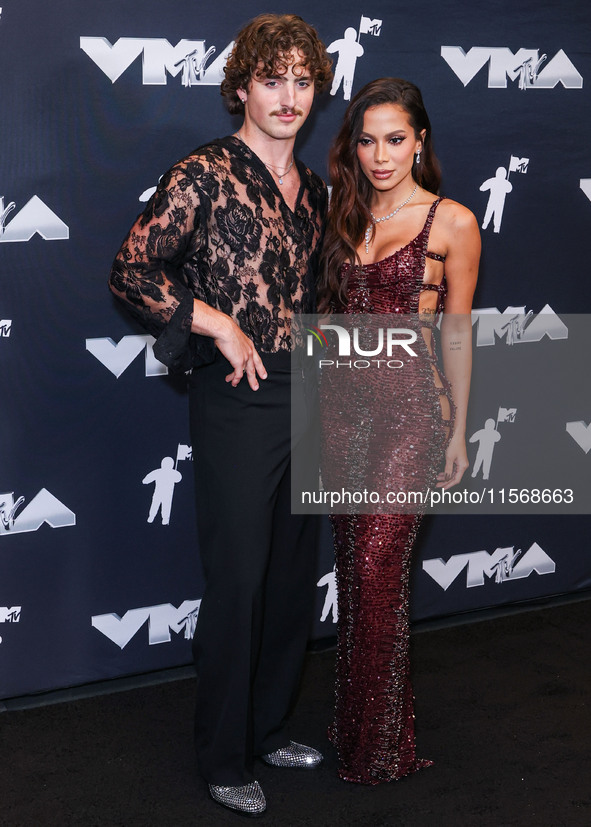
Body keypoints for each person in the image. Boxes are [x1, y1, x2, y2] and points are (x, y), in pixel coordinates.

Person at [108, 14, 332, 817]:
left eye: (302, 80)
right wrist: (217, 321)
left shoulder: (316, 188)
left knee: (288, 575)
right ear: (240, 85)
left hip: (307, 393)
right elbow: (131, 270)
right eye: (272, 78)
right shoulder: (203, 173)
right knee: (238, 577)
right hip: (238, 400)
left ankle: (268, 727)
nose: (288, 95)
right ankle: (222, 754)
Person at [317, 78, 480, 784]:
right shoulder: (338, 213)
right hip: (338, 415)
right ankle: (354, 728)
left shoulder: (451, 221)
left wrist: (457, 429)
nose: (379, 155)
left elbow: (457, 331)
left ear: (419, 141)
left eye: (394, 139)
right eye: (366, 140)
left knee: (377, 569)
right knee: (355, 578)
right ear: (351, 147)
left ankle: (379, 745)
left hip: (410, 414)